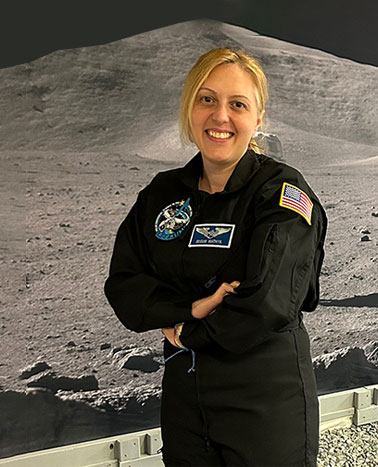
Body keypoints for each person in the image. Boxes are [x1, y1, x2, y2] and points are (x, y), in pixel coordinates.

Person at [104, 48, 327, 467]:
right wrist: (186, 308)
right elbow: (125, 281)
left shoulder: (280, 193)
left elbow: (269, 300)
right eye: (207, 99)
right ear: (190, 108)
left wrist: (186, 332)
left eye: (237, 104)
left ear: (258, 118)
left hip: (263, 398)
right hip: (186, 398)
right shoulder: (163, 194)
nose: (220, 116)